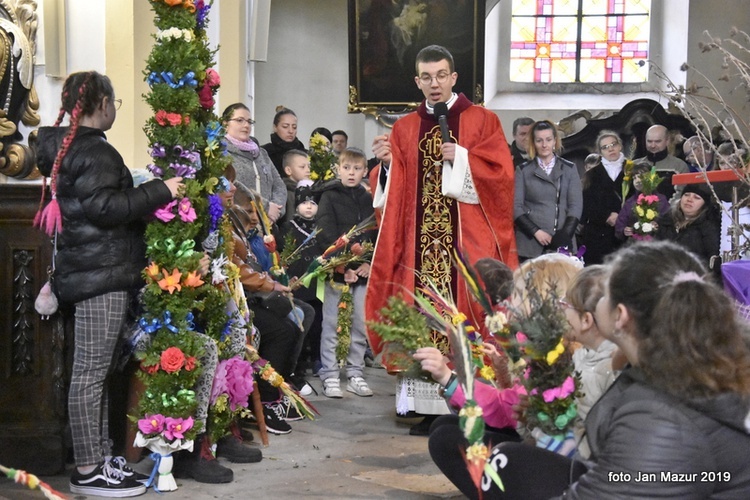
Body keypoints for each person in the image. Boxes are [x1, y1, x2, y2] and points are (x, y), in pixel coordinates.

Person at [488, 241, 750, 499]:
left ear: (620, 316)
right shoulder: (689, 364)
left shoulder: (659, 414)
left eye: (603, 293)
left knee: (509, 464)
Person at [34, 71, 183, 497]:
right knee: (90, 374)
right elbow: (105, 208)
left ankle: (98, 458)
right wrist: (161, 190)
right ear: (101, 104)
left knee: (95, 373)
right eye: (115, 101)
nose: (116, 108)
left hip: (93, 270)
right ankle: (87, 469)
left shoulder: (75, 147)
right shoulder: (93, 150)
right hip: (100, 274)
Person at [367, 45, 517, 433]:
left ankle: (474, 401)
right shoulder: (404, 128)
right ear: (417, 81)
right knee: (418, 313)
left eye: (441, 75)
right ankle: (424, 407)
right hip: (417, 244)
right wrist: (386, 166)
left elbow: (502, 177)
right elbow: (395, 190)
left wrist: (464, 159)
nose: (434, 84)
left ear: (453, 78)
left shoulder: (482, 120)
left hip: (464, 243)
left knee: (469, 312)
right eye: (426, 77)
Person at [317, 147, 377, 398]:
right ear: (338, 169)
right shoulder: (329, 196)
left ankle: (355, 372)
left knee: (360, 324)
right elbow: (326, 233)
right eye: (346, 168)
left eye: (357, 169)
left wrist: (369, 263)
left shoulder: (368, 199)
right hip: (336, 270)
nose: (351, 173)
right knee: (331, 323)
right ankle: (330, 374)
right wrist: (344, 265)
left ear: (364, 171)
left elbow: (374, 233)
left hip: (362, 271)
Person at [560, 265, 621, 459]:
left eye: (565, 305)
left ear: (586, 320)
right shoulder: (581, 354)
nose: (560, 311)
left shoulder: (612, 368)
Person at [513, 120, 583, 262]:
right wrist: (536, 232)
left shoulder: (569, 169)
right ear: (533, 142)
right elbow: (516, 207)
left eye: (548, 139)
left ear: (555, 141)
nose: (544, 145)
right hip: (530, 244)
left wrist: (563, 237)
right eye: (539, 140)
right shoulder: (523, 170)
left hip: (562, 242)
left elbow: (575, 206)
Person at [278, 182, 323, 386]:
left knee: (318, 323)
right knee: (300, 321)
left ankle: (316, 358)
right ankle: (299, 359)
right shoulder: (288, 227)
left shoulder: (322, 228)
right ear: (296, 205)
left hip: (316, 285)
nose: (309, 206)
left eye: (313, 203)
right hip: (296, 283)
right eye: (304, 202)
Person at [222, 103, 286, 224]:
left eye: (249, 121)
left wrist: (275, 211)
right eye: (240, 120)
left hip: (267, 223)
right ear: (226, 124)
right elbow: (235, 186)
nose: (246, 125)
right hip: (237, 222)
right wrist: (265, 207)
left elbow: (279, 185)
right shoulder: (222, 153)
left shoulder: (261, 153)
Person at [580, 130, 627, 265]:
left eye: (613, 144)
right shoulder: (591, 174)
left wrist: (622, 217)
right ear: (600, 152)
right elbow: (587, 204)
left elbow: (639, 198)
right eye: (605, 147)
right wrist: (607, 216)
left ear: (620, 146)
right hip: (598, 235)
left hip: (626, 233)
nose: (610, 149)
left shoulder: (632, 169)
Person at [656, 183, 721, 270]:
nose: (689, 199)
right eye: (686, 195)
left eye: (696, 197)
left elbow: (712, 261)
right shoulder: (666, 221)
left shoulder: (709, 227)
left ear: (704, 205)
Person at [614, 161, 670, 241]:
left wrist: (658, 226)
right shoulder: (630, 202)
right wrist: (624, 231)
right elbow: (620, 226)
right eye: (634, 178)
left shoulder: (661, 200)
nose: (637, 181)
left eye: (641, 176)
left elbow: (669, 224)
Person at [635, 124, 688, 200]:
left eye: (657, 141)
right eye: (649, 141)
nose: (653, 145)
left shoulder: (679, 166)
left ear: (667, 141)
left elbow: (681, 195)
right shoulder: (634, 165)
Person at [261, 106, 307, 177]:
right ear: (275, 127)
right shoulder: (265, 153)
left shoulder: (304, 153)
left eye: (294, 127)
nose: (290, 131)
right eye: (285, 126)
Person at [278, 149, 311, 226]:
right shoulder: (285, 193)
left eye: (309, 166)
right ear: (288, 170)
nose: (308, 170)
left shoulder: (311, 190)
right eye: (302, 167)